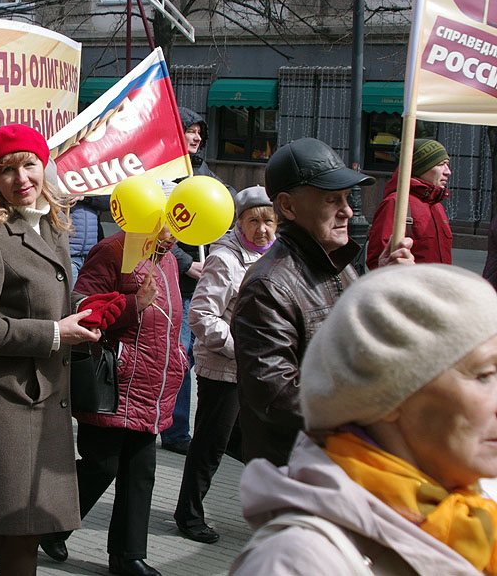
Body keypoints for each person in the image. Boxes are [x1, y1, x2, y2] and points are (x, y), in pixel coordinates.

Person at [232, 264, 497, 575]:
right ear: (391, 396)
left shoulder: (476, 511)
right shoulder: (299, 563)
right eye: (484, 375)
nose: (346, 211)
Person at [0, 124, 117, 576]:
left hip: (45, 401)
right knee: (21, 531)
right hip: (3, 403)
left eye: (29, 164)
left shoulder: (54, 226)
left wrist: (101, 308)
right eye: (7, 170)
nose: (21, 178)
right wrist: (55, 333)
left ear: (44, 165)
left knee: (16, 528)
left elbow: (51, 302)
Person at [231, 138, 412, 467]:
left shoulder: (336, 265)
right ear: (287, 206)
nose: (347, 211)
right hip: (302, 474)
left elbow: (355, 336)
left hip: (341, 463)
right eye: (332, 200)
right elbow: (277, 397)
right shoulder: (269, 286)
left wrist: (383, 285)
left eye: (346, 199)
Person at [40, 222, 184, 576]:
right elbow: (82, 309)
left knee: (140, 471)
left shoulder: (168, 258)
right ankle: (47, 523)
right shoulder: (113, 250)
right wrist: (134, 304)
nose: (173, 235)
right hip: (114, 383)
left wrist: (178, 356)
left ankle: (128, 556)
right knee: (101, 464)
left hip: (153, 384)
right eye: (167, 225)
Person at [174, 186, 276, 545]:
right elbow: (201, 315)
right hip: (224, 368)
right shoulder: (225, 258)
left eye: (269, 221)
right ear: (240, 222)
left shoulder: (276, 255)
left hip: (259, 370)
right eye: (254, 221)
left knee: (255, 443)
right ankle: (188, 514)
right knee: (209, 445)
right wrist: (242, 350)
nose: (262, 230)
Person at [162, 107, 235, 456]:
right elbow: (150, 229)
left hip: (201, 288)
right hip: (171, 282)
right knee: (177, 357)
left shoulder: (206, 175)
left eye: (198, 132)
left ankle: (180, 430)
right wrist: (186, 262)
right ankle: (172, 429)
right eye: (188, 130)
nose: (195, 137)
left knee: (190, 358)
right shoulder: (160, 173)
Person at [366, 138, 452, 269]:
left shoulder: (436, 205)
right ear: (420, 167)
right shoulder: (396, 203)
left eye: (447, 164)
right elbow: (377, 260)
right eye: (441, 164)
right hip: (409, 287)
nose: (448, 171)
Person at [68, 195, 108, 280]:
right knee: (71, 292)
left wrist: (85, 198)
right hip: (70, 255)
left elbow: (109, 202)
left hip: (91, 257)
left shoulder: (94, 191)